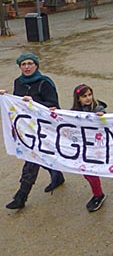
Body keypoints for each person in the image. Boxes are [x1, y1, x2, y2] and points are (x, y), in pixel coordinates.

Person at [2, 53, 65, 210]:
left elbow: (53, 105)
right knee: (40, 156)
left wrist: (33, 102)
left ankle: (21, 197)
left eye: (30, 63)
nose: (27, 67)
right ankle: (57, 176)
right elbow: (16, 104)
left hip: (44, 128)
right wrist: (5, 97)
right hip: (28, 128)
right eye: (23, 64)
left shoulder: (45, 83)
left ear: (36, 65)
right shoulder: (18, 82)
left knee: (32, 159)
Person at [71, 84, 108, 212]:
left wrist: (101, 116)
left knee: (90, 171)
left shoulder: (97, 107)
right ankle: (97, 193)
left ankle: (98, 195)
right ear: (78, 99)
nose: (88, 98)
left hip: (95, 145)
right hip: (83, 145)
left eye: (89, 95)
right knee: (86, 173)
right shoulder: (74, 112)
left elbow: (104, 117)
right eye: (84, 96)